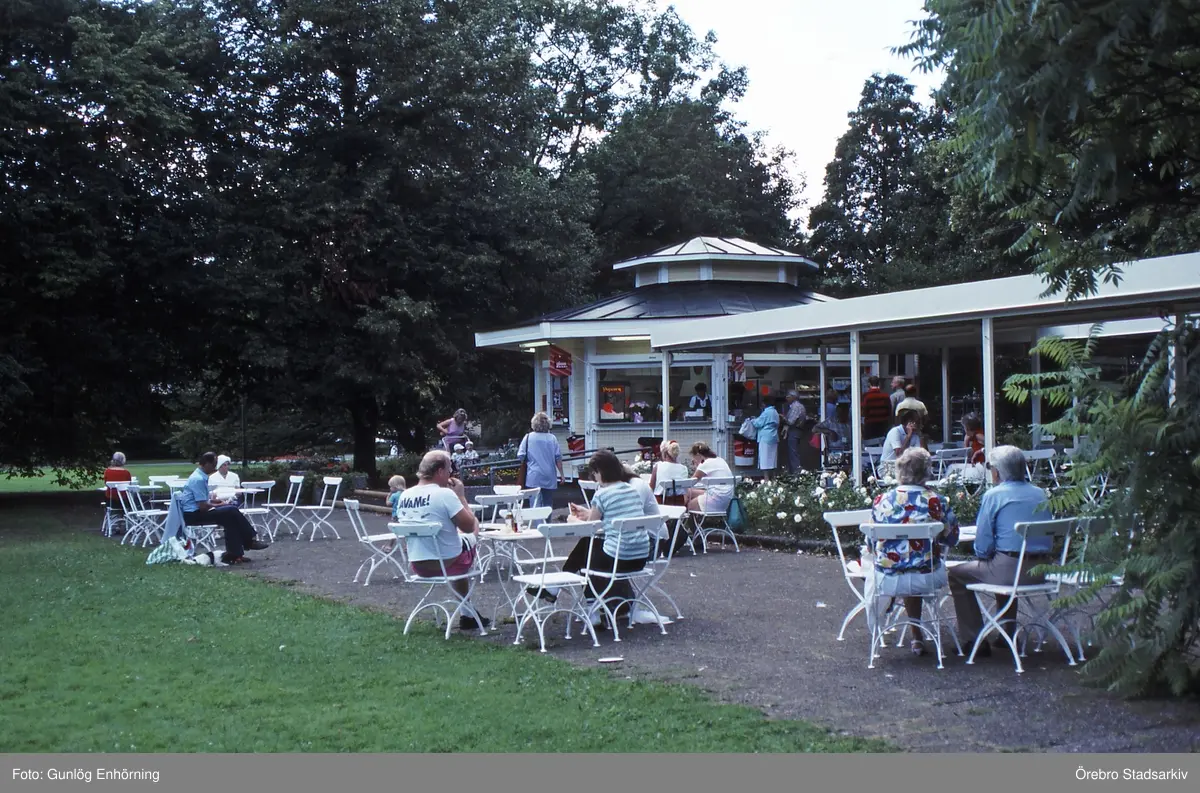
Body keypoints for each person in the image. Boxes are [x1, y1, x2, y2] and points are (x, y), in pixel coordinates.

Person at [948, 446, 1053, 656]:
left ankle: (974, 639)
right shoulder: (1040, 493)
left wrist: (986, 554)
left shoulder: (995, 495)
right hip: (1042, 570)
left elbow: (983, 546)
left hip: (1009, 570)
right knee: (1000, 564)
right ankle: (1007, 633)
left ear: (997, 471)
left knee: (957, 574)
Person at [869, 448, 959, 656]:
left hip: (887, 579)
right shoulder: (935, 501)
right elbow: (952, 538)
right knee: (918, 565)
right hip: (926, 577)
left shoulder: (882, 500)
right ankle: (917, 636)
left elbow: (871, 543)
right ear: (927, 472)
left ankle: (906, 627)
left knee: (897, 566)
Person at [393, 450, 489, 632]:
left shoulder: (405, 495)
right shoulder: (445, 494)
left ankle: (467, 614)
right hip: (448, 562)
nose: (450, 473)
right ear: (439, 471)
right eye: (449, 469)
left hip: (418, 565)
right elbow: (469, 526)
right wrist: (461, 496)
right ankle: (467, 612)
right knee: (473, 527)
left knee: (455, 540)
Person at [557, 450, 657, 623]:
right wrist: (587, 514)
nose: (595, 478)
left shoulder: (601, 494)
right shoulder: (631, 490)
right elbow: (610, 519)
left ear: (600, 472)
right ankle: (564, 591)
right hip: (640, 557)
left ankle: (590, 608)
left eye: (594, 474)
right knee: (588, 547)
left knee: (587, 551)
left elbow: (590, 529)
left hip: (619, 558)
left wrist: (573, 520)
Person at [180, 451, 269, 565]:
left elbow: (201, 501)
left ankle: (234, 555)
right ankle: (248, 541)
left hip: (195, 512)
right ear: (206, 464)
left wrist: (214, 502)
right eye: (214, 465)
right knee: (231, 510)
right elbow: (202, 507)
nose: (215, 468)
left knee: (230, 518)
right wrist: (218, 505)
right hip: (194, 515)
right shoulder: (198, 479)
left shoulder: (200, 476)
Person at [517, 411, 563, 510]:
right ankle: (548, 520)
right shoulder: (552, 438)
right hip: (549, 476)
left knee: (534, 504)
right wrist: (562, 475)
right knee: (548, 505)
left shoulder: (528, 437)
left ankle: (536, 520)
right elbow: (558, 458)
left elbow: (521, 456)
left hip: (533, 476)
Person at [686, 442, 735, 517]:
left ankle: (682, 522)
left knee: (688, 505)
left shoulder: (705, 464)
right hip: (726, 501)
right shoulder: (720, 460)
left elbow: (691, 482)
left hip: (715, 501)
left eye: (694, 459)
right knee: (689, 492)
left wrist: (697, 465)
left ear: (698, 455)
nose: (694, 461)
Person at [649, 439, 690, 505]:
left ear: (665, 453)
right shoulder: (684, 468)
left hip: (661, 502)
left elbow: (651, 489)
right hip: (679, 503)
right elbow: (685, 491)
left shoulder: (658, 466)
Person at [752, 399, 781, 480]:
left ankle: (766, 479)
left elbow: (758, 423)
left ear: (764, 404)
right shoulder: (775, 412)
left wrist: (753, 420)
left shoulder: (766, 412)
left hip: (765, 437)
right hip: (774, 436)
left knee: (764, 458)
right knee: (773, 459)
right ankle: (774, 478)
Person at [380, 475, 407, 552]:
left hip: (396, 516)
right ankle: (407, 546)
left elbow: (388, 504)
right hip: (405, 515)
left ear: (395, 486)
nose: (390, 488)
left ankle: (389, 546)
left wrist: (388, 497)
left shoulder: (394, 495)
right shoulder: (406, 493)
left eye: (391, 487)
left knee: (394, 532)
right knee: (406, 530)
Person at [783, 390, 807, 472]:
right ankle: (794, 471)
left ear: (794, 397)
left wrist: (782, 418)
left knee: (793, 452)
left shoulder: (796, 406)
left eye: (788, 396)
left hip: (794, 430)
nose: (786, 398)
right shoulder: (798, 406)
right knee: (794, 452)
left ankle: (796, 472)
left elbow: (790, 421)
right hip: (797, 431)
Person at [862, 376, 892, 441]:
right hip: (883, 424)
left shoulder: (866, 396)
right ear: (878, 383)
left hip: (870, 424)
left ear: (869, 384)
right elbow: (889, 410)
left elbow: (864, 410)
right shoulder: (885, 396)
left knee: (870, 443)